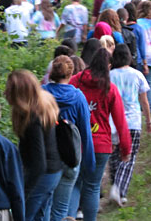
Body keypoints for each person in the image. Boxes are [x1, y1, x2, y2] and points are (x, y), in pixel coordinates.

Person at [68, 48, 132, 221]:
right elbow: (120, 122)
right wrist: (126, 149)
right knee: (92, 186)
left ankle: (69, 218)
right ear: (108, 66)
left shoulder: (75, 81)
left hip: (76, 143)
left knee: (75, 184)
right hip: (100, 145)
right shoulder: (109, 89)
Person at [42, 55, 95, 221]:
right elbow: (85, 132)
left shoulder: (42, 94)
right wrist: (89, 162)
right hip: (70, 158)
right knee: (61, 209)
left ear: (52, 72)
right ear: (71, 73)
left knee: (44, 206)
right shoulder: (78, 97)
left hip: (46, 157)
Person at [5, 70, 63, 221]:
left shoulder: (32, 119)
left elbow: (39, 163)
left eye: (9, 90)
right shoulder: (42, 105)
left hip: (43, 175)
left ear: (20, 93)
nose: (5, 93)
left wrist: (24, 191)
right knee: (41, 216)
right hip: (53, 172)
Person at [109, 44, 151, 206]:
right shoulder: (137, 75)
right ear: (129, 57)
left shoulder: (110, 75)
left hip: (113, 122)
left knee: (114, 156)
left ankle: (120, 191)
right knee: (129, 156)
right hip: (133, 121)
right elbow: (144, 101)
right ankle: (118, 188)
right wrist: (149, 120)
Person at [124, 2, 148, 74]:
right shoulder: (139, 29)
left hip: (124, 60)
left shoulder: (121, 29)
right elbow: (142, 47)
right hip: (137, 60)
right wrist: (145, 63)